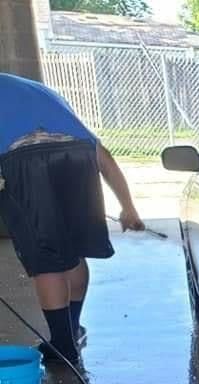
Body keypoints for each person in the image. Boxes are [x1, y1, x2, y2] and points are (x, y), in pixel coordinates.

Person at [0, 72, 143, 364]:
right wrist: (128, 207)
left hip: (26, 161)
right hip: (77, 156)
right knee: (73, 250)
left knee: (46, 260)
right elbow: (100, 153)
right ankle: (72, 329)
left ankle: (63, 346)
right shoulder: (38, 90)